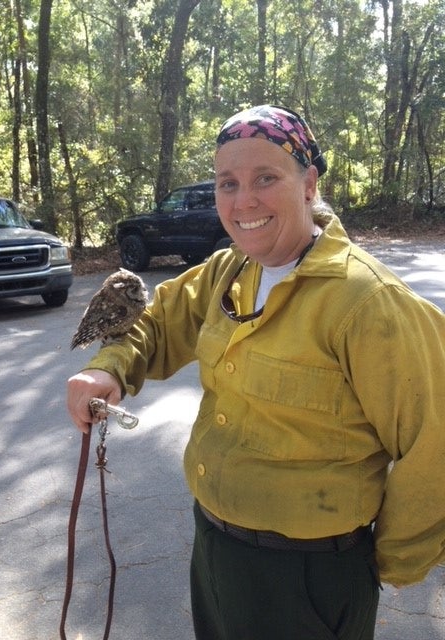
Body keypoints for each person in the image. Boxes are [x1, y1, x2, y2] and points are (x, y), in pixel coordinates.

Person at [67, 104, 445, 640]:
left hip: (309, 574)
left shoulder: (369, 303)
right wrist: (109, 370)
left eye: (265, 178)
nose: (243, 201)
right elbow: (155, 321)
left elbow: (435, 446)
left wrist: (378, 567)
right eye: (228, 183)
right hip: (215, 549)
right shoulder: (229, 269)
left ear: (308, 183)